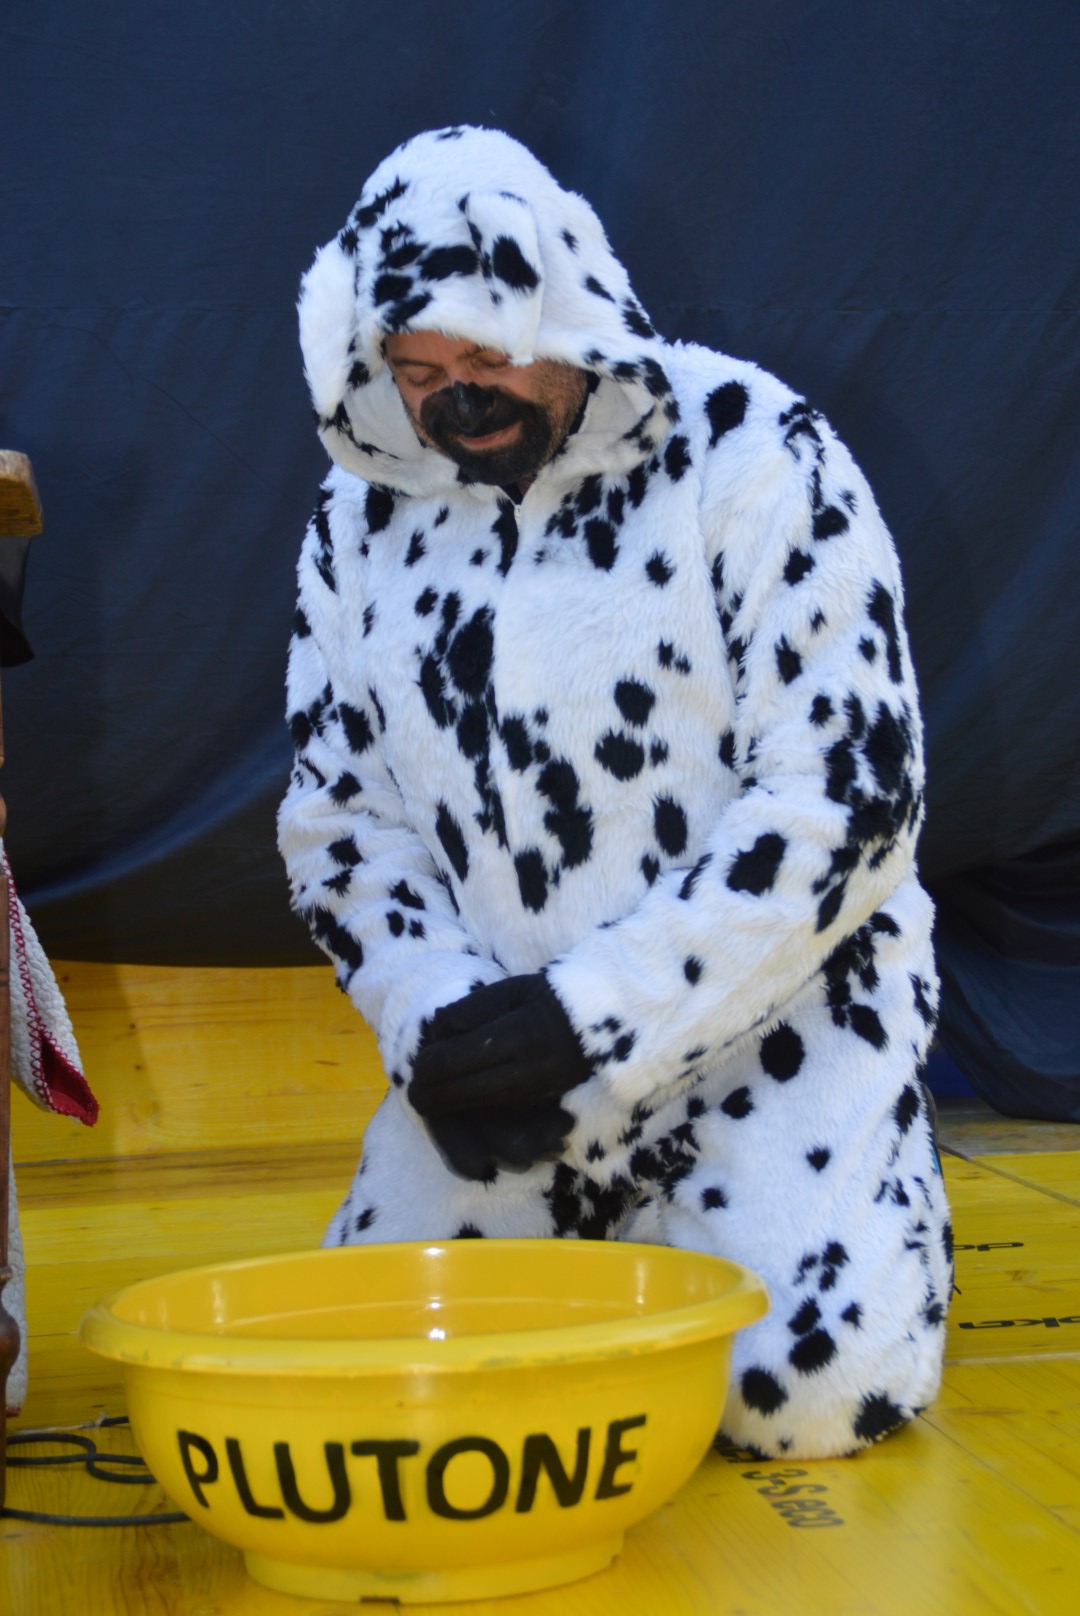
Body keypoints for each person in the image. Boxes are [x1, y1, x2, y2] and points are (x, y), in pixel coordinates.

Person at [278, 125, 952, 1459]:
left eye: (485, 358)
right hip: (506, 1056)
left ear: (566, 309)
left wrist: (601, 1016)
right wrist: (437, 1024)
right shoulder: (357, 523)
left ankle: (867, 1192)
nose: (457, 402)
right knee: (384, 1376)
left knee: (797, 1403)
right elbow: (338, 824)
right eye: (419, 374)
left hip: (770, 1028)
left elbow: (853, 791)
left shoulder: (757, 452)